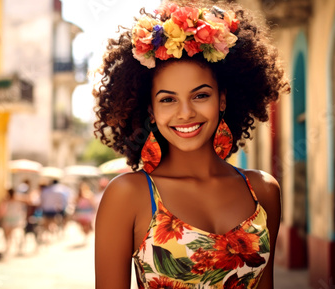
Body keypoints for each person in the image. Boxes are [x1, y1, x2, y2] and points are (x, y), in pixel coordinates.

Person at [93, 1, 290, 288]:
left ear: (222, 99)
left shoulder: (263, 190)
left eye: (200, 95)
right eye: (168, 99)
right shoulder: (127, 196)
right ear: (150, 110)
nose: (185, 113)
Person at [0, 188, 27, 255]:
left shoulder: (9, 200)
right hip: (14, 219)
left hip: (10, 219)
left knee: (8, 234)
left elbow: (1, 211)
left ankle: (9, 246)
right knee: (10, 233)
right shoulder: (16, 199)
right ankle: (10, 246)